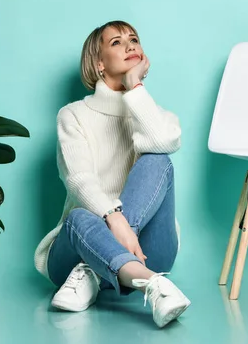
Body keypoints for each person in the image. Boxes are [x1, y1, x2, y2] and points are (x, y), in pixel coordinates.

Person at [34, 20, 190, 328]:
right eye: (117, 42)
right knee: (79, 217)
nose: (130, 45)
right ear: (99, 63)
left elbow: (162, 143)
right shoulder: (73, 115)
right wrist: (113, 218)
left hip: (148, 250)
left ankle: (100, 267)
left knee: (158, 160)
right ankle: (155, 286)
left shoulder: (155, 114)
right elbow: (79, 179)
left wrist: (135, 87)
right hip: (73, 255)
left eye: (134, 39)